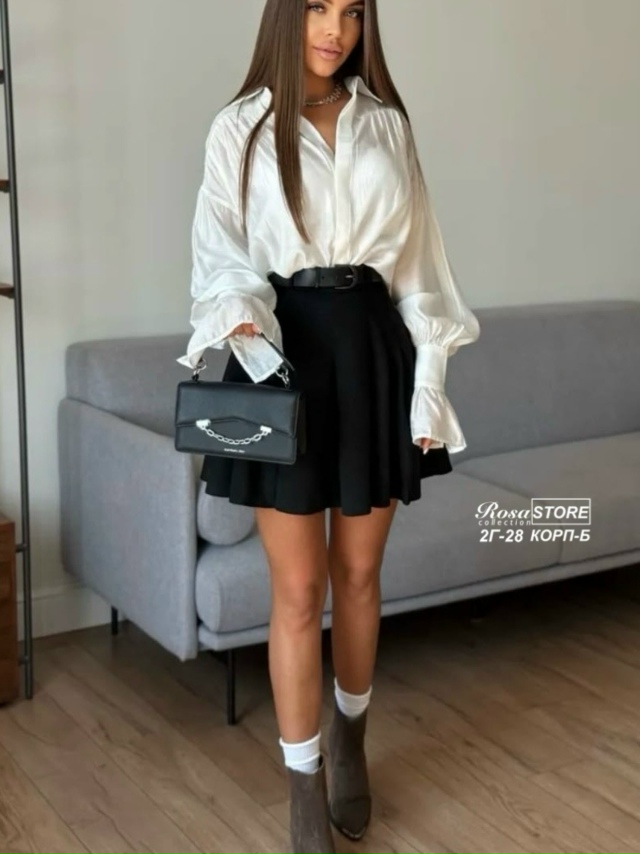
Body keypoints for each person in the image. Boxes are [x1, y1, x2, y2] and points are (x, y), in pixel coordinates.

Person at [177, 1, 480, 851]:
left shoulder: (387, 125)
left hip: (373, 352)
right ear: (287, 12)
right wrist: (240, 319)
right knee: (297, 589)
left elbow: (421, 268)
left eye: (352, 11)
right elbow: (219, 254)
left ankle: (351, 737)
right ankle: (302, 783)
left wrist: (429, 386)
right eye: (316, 5)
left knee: (358, 575)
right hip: (280, 358)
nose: (334, 29)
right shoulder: (239, 128)